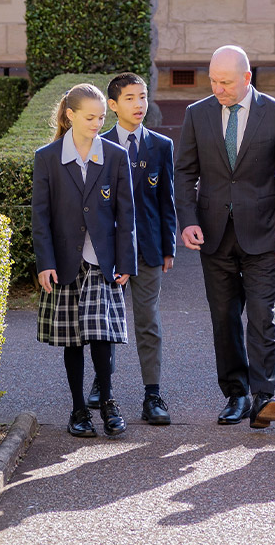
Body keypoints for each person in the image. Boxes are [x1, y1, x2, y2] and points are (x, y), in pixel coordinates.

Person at [173, 45, 275, 429]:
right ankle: (236, 394)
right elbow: (184, 174)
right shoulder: (197, 114)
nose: (218, 89)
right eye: (213, 81)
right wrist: (188, 220)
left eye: (226, 82)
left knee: (263, 317)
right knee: (224, 319)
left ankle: (264, 397)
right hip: (213, 235)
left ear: (247, 79)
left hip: (264, 234)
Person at [31, 83, 139, 438]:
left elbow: (126, 215)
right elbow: (41, 217)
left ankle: (108, 403)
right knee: (73, 339)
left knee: (102, 335)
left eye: (101, 118)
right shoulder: (47, 157)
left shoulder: (114, 155)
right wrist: (45, 262)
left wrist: (127, 261)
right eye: (89, 117)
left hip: (102, 261)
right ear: (70, 115)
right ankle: (79, 409)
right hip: (64, 262)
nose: (97, 123)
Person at [86, 72, 177, 425]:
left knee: (148, 321)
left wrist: (168, 245)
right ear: (112, 105)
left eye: (143, 97)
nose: (139, 104)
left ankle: (152, 394)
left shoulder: (161, 146)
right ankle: (102, 384)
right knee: (104, 322)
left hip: (150, 249)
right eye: (130, 98)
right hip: (109, 251)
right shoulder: (98, 144)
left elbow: (166, 201)